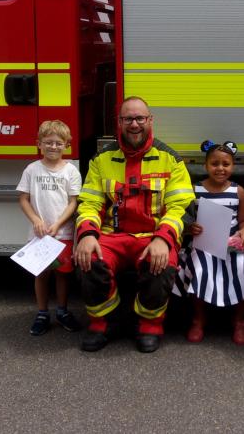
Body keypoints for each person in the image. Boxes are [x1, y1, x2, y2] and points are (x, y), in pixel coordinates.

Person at [74, 97, 195, 353]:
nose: (134, 124)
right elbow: (89, 202)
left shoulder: (170, 159)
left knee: (161, 265)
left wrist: (163, 239)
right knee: (88, 259)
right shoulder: (101, 159)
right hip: (112, 236)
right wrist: (86, 234)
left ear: (150, 121)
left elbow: (181, 207)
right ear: (119, 122)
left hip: (153, 236)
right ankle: (104, 322)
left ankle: (149, 325)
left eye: (140, 118)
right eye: (128, 118)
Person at [173, 141, 244, 345]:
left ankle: (239, 320)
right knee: (200, 268)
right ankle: (199, 319)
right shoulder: (195, 190)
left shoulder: (238, 191)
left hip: (231, 243)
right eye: (215, 164)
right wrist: (191, 228)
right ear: (206, 166)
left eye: (226, 164)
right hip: (205, 243)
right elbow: (188, 220)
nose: (220, 168)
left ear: (233, 166)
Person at [16, 120, 83, 335]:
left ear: (67, 145)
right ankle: (42, 313)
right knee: (41, 274)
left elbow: (73, 201)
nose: (53, 147)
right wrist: (36, 220)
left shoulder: (71, 171)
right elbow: (24, 199)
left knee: (63, 274)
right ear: (39, 144)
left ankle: (62, 311)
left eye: (58, 143)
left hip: (62, 232)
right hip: (39, 235)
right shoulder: (32, 170)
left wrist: (58, 223)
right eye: (48, 142)